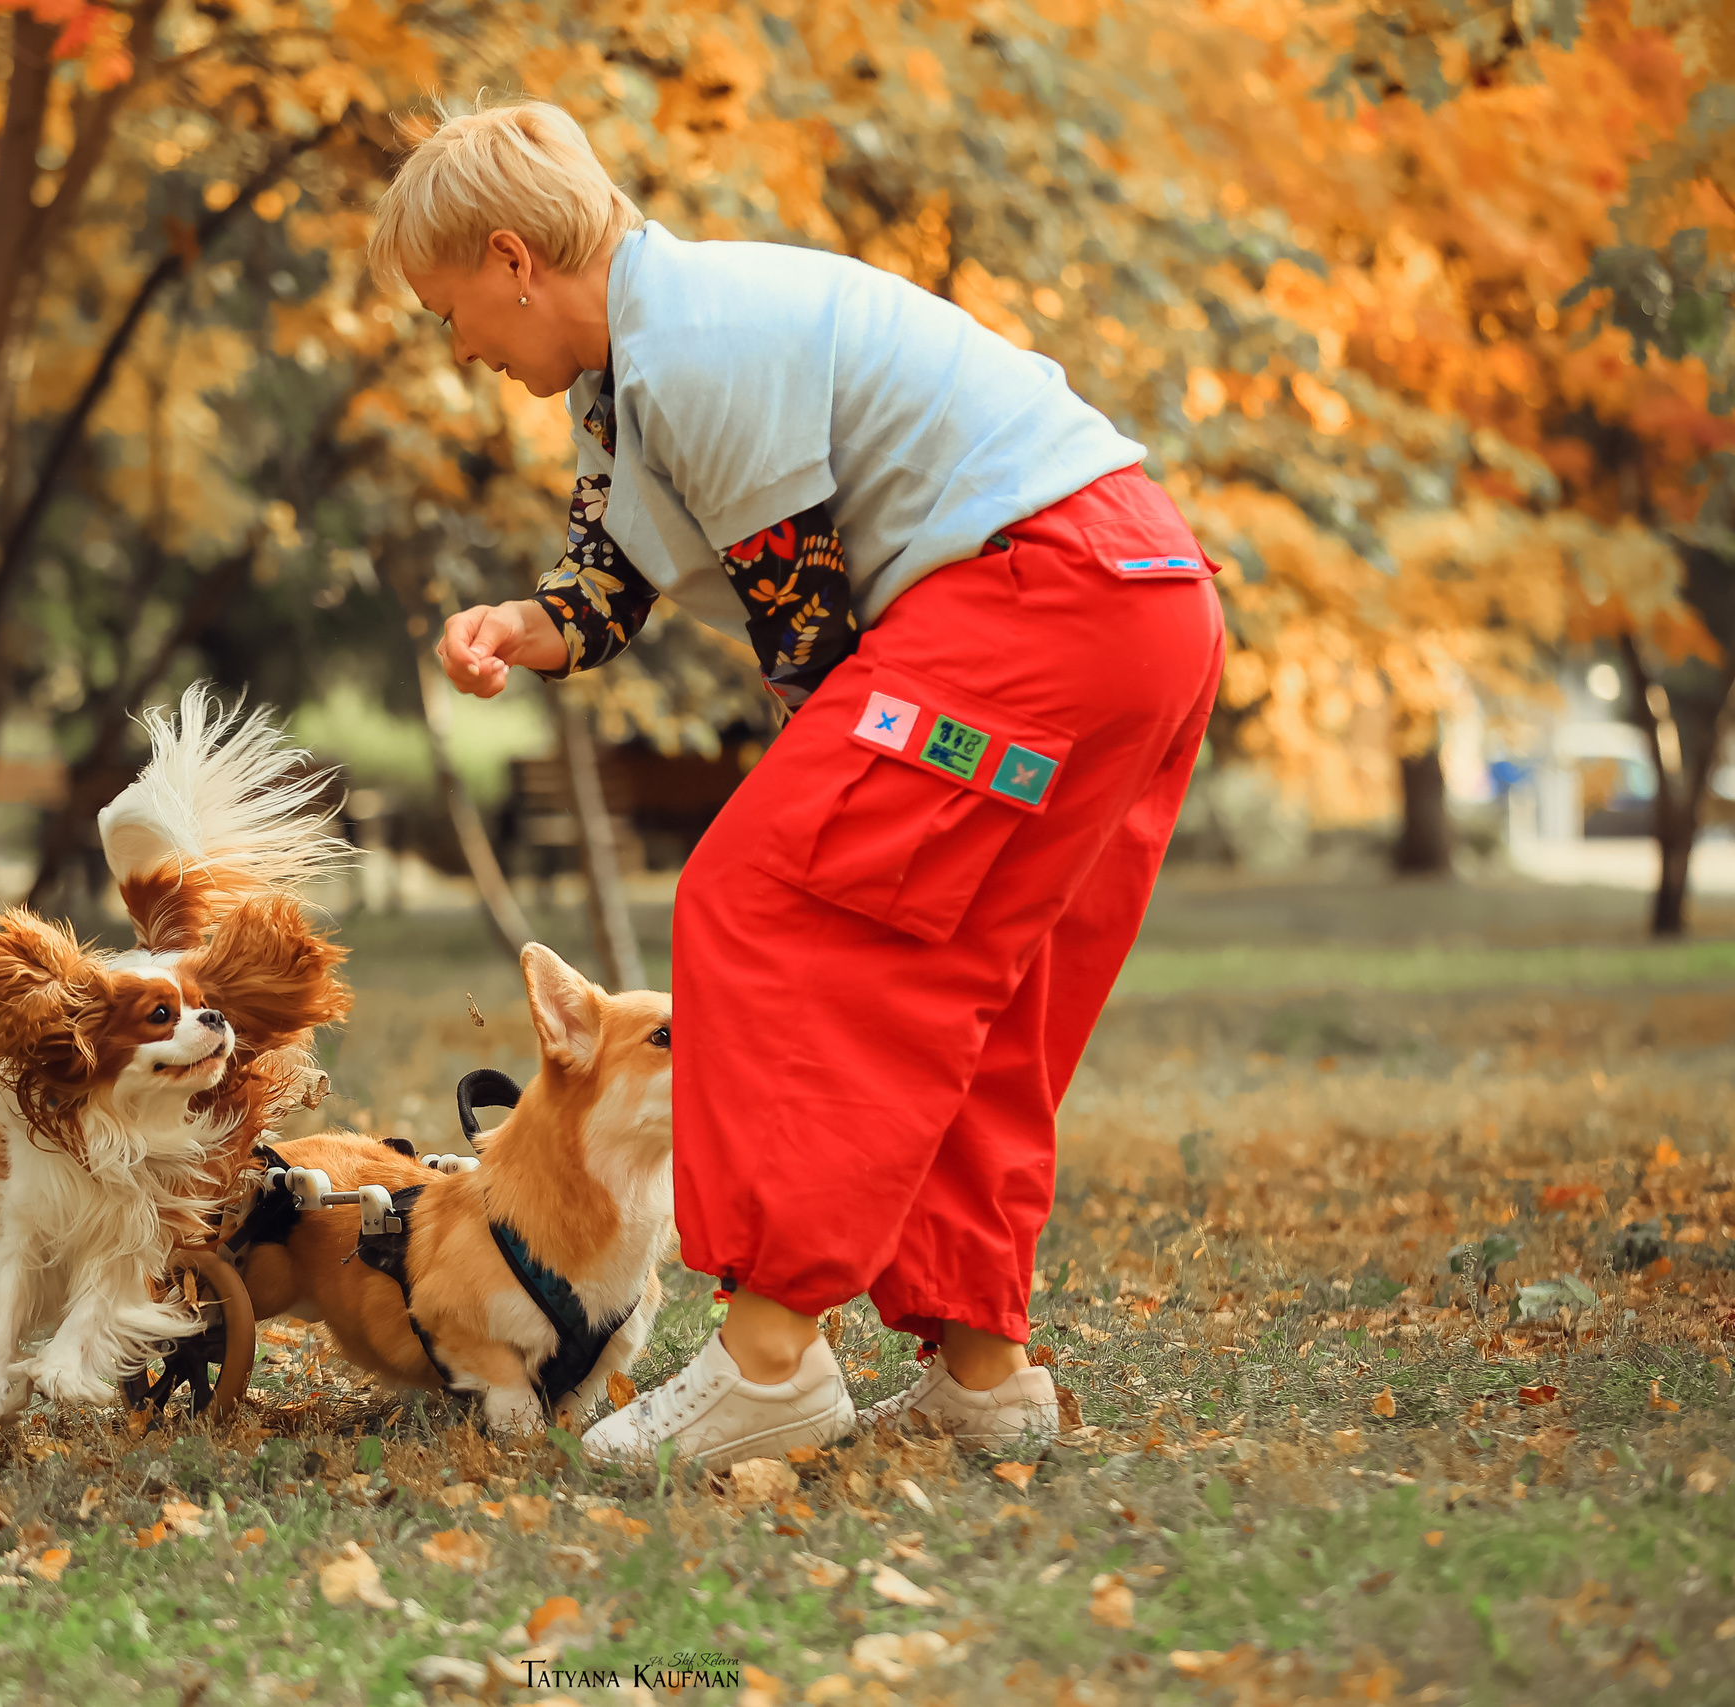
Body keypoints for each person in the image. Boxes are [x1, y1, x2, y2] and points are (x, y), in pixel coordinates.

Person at [368, 100, 1224, 1466]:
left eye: (448, 309)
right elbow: (610, 574)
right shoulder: (633, 367)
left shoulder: (696, 344)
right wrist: (528, 627)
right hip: (1140, 598)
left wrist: (842, 829)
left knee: (769, 905)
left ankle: (769, 1363)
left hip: (1044, 597)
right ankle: (983, 1376)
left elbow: (808, 640)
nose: (459, 345)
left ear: (513, 260)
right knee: (968, 970)